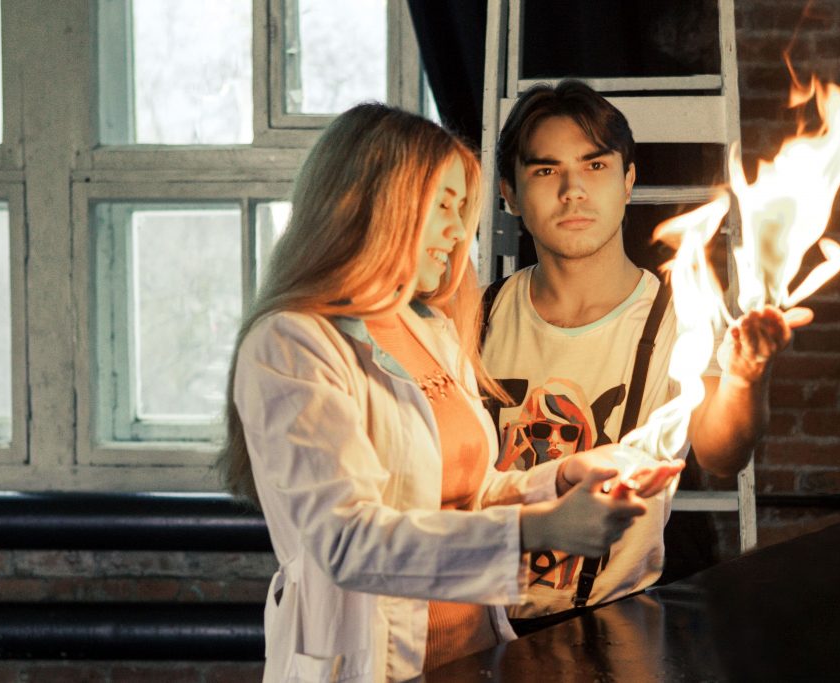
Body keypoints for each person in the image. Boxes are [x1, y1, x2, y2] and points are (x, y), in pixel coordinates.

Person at [217, 103, 684, 682]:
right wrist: (538, 529)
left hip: (476, 657)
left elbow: (471, 493)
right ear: (378, 201)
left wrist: (560, 478)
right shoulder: (291, 343)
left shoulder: (430, 330)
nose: (459, 232)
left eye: (461, 210)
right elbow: (347, 544)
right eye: (443, 206)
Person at [481, 80, 811, 629]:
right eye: (545, 170)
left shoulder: (679, 318)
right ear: (509, 193)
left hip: (612, 628)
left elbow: (722, 455)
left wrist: (746, 377)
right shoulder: (473, 317)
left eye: (594, 166)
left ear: (628, 181)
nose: (572, 190)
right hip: (474, 628)